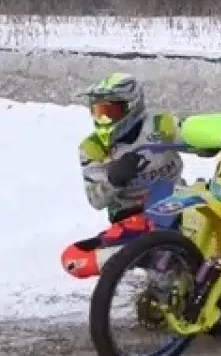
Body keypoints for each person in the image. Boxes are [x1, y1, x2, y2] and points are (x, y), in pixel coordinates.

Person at [61, 73, 186, 279]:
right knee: (74, 261)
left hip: (177, 205)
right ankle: (152, 257)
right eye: (98, 112)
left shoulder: (161, 124)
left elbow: (194, 136)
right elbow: (96, 199)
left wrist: (214, 140)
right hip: (132, 219)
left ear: (131, 106)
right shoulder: (92, 147)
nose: (103, 119)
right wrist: (114, 180)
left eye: (109, 112)